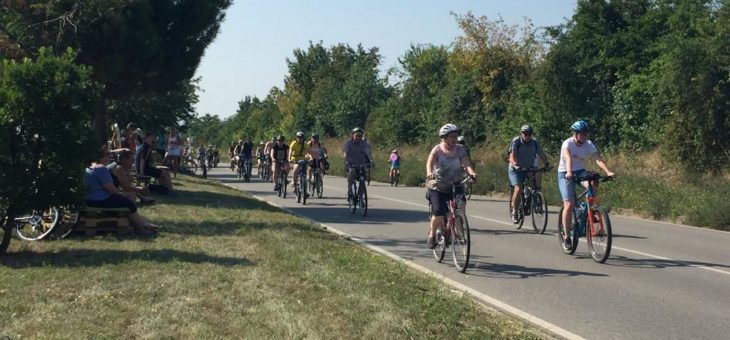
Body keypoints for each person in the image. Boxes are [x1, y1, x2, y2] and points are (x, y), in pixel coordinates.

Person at [558, 120, 615, 248]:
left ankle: (590, 209)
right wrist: (568, 172)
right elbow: (568, 159)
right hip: (565, 172)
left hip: (580, 171)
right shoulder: (567, 143)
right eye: (582, 134)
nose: (584, 136)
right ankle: (567, 236)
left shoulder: (588, 144)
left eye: (586, 134)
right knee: (569, 204)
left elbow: (597, 159)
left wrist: (608, 171)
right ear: (576, 133)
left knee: (593, 184)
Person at [425, 124, 477, 249]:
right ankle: (432, 233)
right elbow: (429, 162)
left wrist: (471, 172)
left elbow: (466, 162)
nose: (455, 138)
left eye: (456, 136)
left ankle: (459, 232)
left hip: (455, 183)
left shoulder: (460, 149)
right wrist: (429, 173)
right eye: (452, 136)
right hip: (438, 185)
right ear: (444, 138)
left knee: (460, 205)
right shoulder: (437, 149)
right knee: (438, 213)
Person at [85, 146, 158, 232]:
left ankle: (142, 222)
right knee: (128, 203)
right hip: (99, 200)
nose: (110, 156)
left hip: (89, 199)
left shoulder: (91, 167)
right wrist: (122, 194)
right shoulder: (101, 168)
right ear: (100, 157)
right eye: (107, 154)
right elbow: (111, 189)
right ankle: (141, 228)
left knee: (126, 200)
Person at [508, 125, 551, 223]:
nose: (527, 136)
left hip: (529, 168)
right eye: (525, 134)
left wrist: (547, 164)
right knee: (518, 189)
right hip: (516, 169)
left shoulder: (534, 143)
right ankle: (514, 211)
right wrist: (515, 165)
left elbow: (541, 154)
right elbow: (512, 156)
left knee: (536, 184)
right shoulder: (516, 141)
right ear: (521, 133)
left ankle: (536, 202)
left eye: (529, 134)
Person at [343, 127, 373, 199]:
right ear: (353, 135)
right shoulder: (349, 143)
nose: (358, 137)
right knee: (351, 174)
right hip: (351, 164)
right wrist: (346, 161)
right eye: (356, 135)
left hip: (361, 164)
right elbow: (345, 153)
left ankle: (360, 197)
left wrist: (371, 161)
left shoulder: (364, 144)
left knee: (362, 180)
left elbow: (368, 153)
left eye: (360, 136)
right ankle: (350, 191)